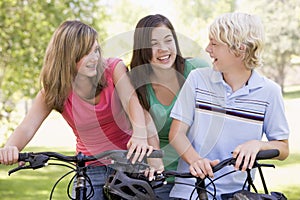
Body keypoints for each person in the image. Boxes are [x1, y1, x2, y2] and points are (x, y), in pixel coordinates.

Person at [0, 20, 159, 199]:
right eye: (85, 53)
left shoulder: (113, 69)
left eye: (96, 50)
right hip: (90, 169)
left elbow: (132, 102)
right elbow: (26, 127)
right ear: (67, 55)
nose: (94, 58)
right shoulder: (54, 91)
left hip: (129, 164)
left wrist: (139, 134)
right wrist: (11, 147)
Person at [169, 12, 290, 199]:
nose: (208, 49)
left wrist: (257, 145)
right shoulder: (197, 79)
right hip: (189, 191)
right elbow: (176, 134)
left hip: (236, 194)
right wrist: (196, 160)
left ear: (239, 50)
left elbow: (283, 149)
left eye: (214, 44)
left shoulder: (269, 92)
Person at [129, 14, 210, 199]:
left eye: (168, 40)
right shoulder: (136, 83)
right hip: (158, 176)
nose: (163, 49)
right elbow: (146, 128)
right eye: (153, 44)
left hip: (197, 172)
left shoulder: (197, 70)